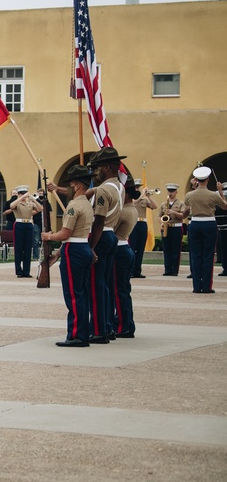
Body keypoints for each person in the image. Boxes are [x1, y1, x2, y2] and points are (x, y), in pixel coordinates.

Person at [42, 165, 94, 347]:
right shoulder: (86, 204)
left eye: (71, 184)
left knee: (73, 295)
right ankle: (83, 333)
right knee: (82, 294)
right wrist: (58, 254)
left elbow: (65, 234)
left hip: (74, 251)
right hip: (81, 248)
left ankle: (76, 335)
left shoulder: (74, 205)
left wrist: (49, 236)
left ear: (78, 185)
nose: (69, 188)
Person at [86, 146, 126, 343]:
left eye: (98, 167)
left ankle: (99, 329)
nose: (96, 172)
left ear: (108, 167)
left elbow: (99, 221)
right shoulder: (120, 187)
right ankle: (108, 326)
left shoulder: (103, 190)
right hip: (112, 236)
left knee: (96, 285)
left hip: (101, 236)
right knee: (107, 284)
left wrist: (91, 248)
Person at [183, 166, 227, 294]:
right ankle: (207, 286)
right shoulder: (213, 194)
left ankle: (197, 286)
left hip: (195, 223)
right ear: (207, 179)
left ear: (196, 180)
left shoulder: (190, 194)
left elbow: (187, 204)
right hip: (209, 224)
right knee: (208, 255)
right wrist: (220, 192)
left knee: (196, 255)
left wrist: (193, 187)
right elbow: (225, 206)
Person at [113, 180, 139, 337]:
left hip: (119, 250)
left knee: (119, 291)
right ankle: (126, 323)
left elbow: (109, 227)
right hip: (124, 249)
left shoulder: (123, 211)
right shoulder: (132, 209)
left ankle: (123, 326)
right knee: (123, 290)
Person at [4, 185, 42, 278]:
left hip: (29, 224)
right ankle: (19, 271)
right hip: (19, 224)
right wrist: (20, 198)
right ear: (19, 194)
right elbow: (11, 206)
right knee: (19, 248)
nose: (24, 196)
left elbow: (40, 209)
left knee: (28, 248)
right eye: (22, 194)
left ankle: (26, 271)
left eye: (25, 194)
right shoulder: (17, 203)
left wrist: (33, 199)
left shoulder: (30, 203)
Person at [128, 180, 157, 279]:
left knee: (140, 249)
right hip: (133, 223)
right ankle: (131, 270)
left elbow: (154, 206)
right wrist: (141, 195)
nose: (137, 189)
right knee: (132, 247)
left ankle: (137, 270)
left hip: (142, 223)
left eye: (138, 187)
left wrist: (148, 196)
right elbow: (134, 203)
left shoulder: (144, 199)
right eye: (135, 187)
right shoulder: (130, 198)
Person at [158, 184, 187, 276]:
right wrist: (162, 223)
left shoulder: (181, 203)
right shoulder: (163, 204)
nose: (170, 193)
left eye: (172, 191)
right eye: (169, 191)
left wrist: (173, 212)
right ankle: (167, 269)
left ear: (176, 192)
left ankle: (175, 270)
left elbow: (183, 216)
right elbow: (159, 216)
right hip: (166, 227)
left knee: (176, 249)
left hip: (176, 227)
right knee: (166, 249)